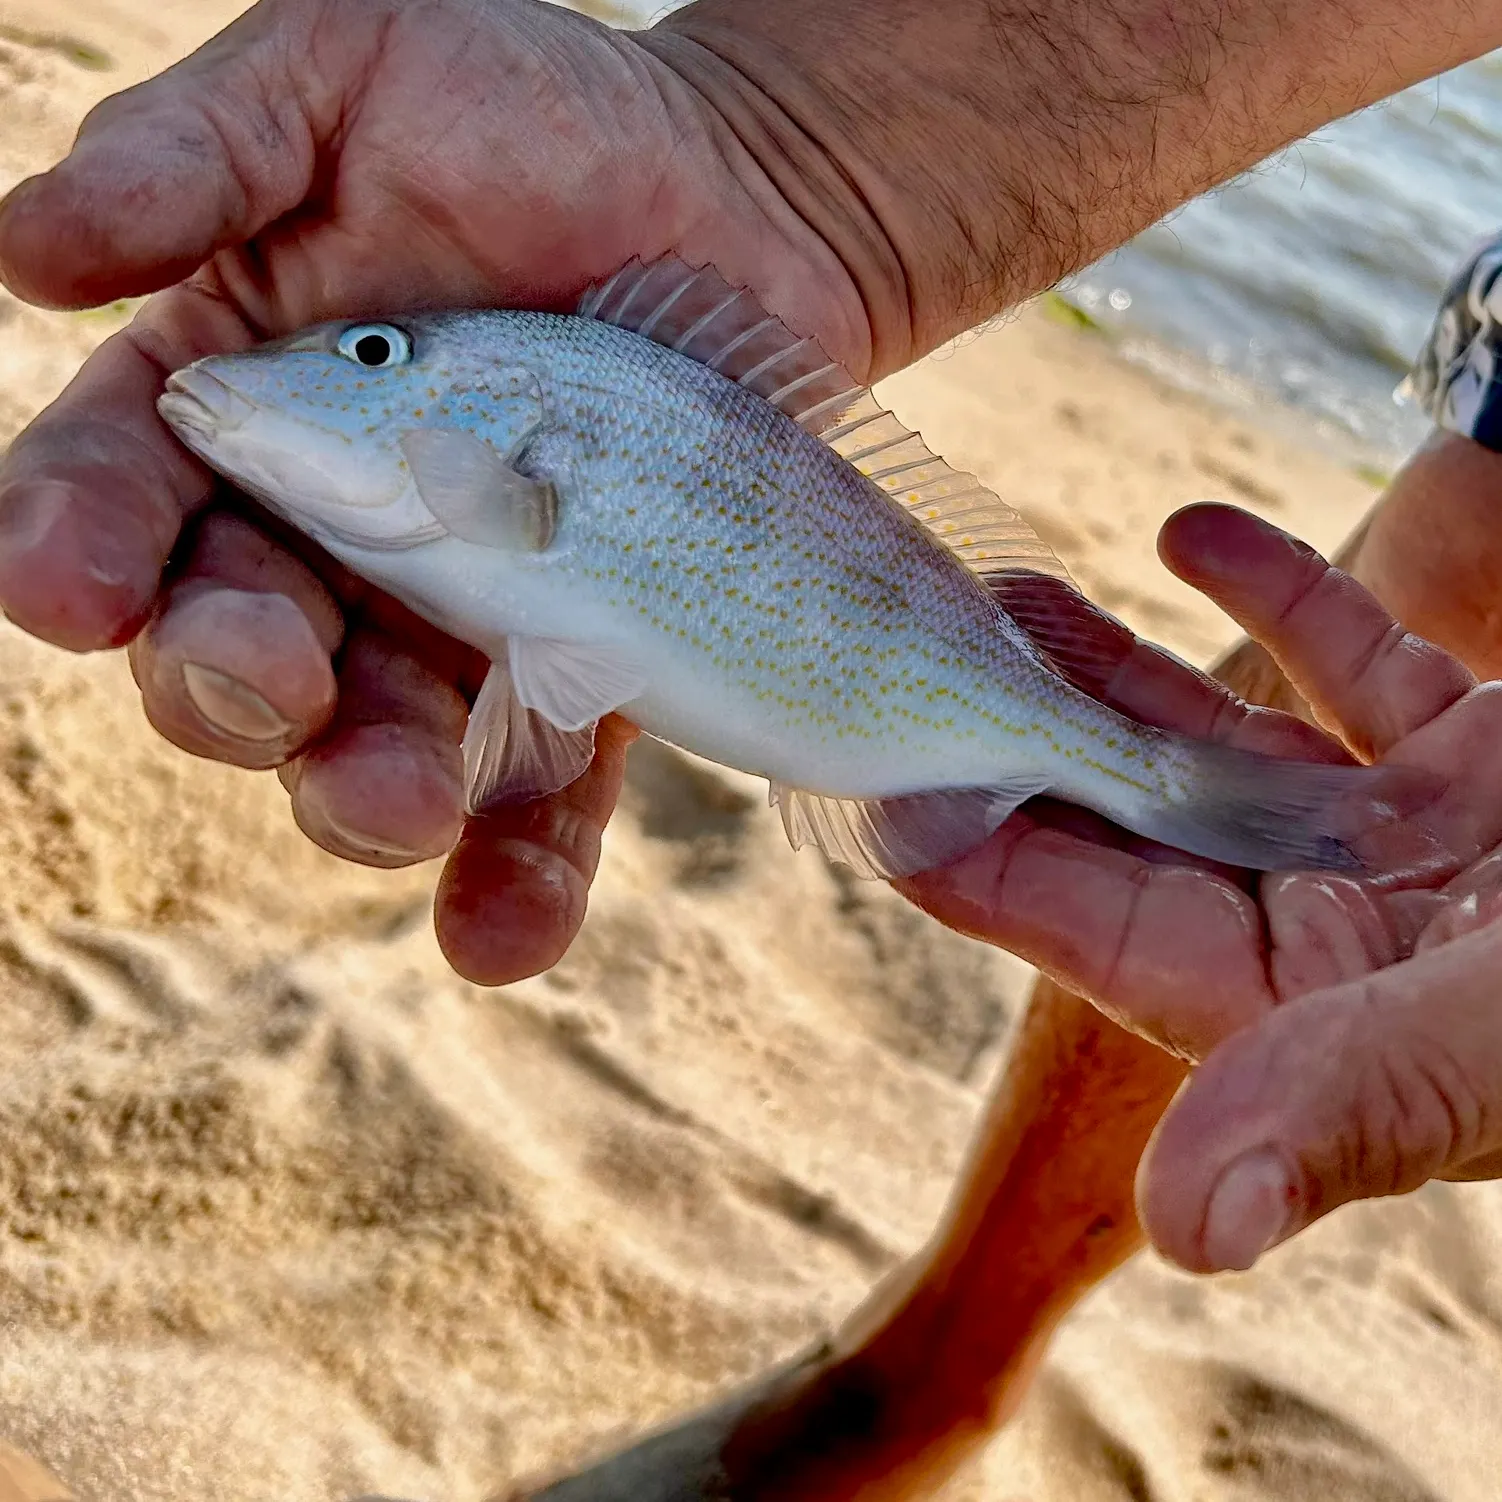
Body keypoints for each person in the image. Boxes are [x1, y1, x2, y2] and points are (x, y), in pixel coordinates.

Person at [5, 0, 1502, 1495]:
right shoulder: (495, 420)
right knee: (1451, 559)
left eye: (373, 349)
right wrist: (769, 127)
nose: (320, 362)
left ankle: (945, 1365)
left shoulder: (507, 426)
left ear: (451, 406)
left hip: (836, 642)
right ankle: (943, 1352)